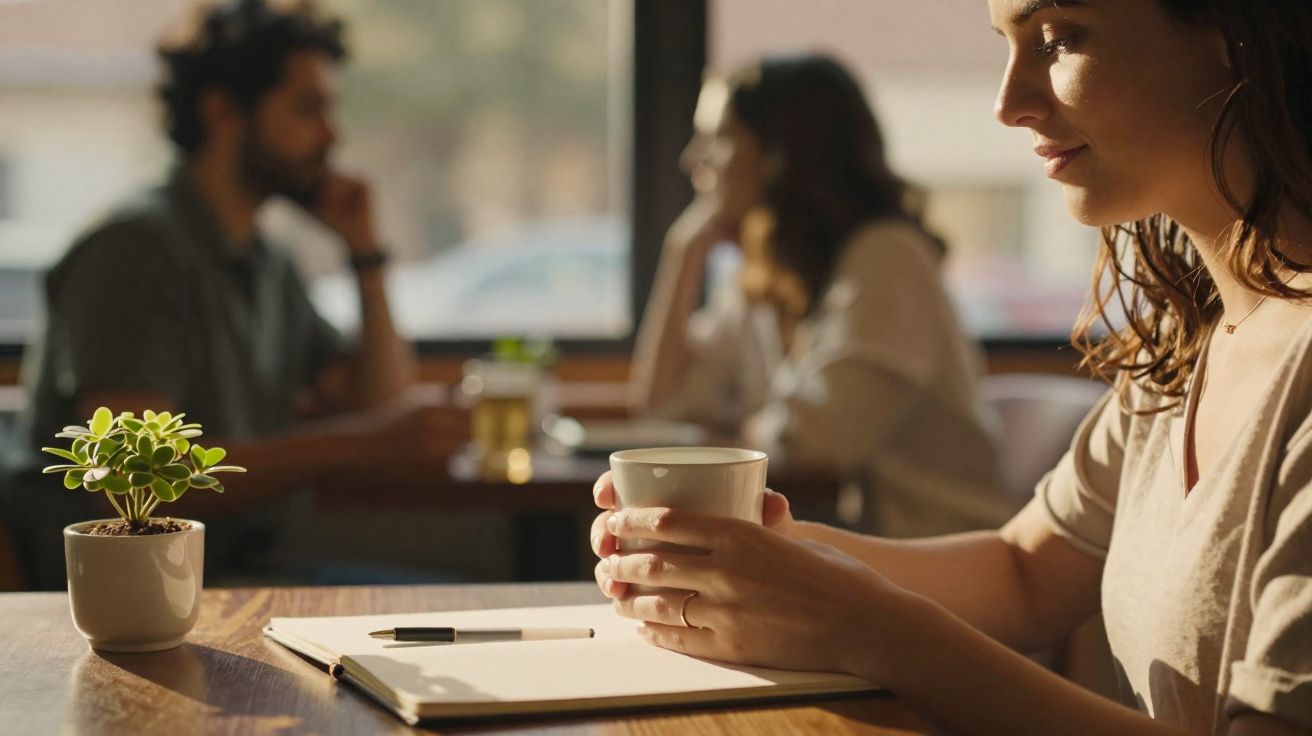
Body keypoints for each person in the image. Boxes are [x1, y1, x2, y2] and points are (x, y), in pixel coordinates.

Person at [590, 1, 1312, 734]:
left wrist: (873, 629)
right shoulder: (1187, 341)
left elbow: (814, 441)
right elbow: (1025, 568)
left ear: (1235, 31)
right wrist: (776, 555)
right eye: (1006, 46)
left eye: (1057, 41)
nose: (1007, 105)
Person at [0, 0, 465, 590]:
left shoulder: (266, 261)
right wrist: (360, 443)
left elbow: (379, 401)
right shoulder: (133, 250)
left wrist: (366, 257)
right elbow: (135, 477)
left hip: (234, 576)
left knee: (442, 610)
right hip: (125, 593)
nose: (332, 134)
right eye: (307, 108)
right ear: (223, 111)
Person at [629, 55, 1010, 537]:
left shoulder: (889, 259)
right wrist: (683, 254)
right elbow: (659, 409)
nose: (692, 160)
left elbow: (814, 444)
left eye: (719, 138)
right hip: (846, 555)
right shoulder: (769, 276)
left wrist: (738, 433)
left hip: (935, 556)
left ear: (778, 156)